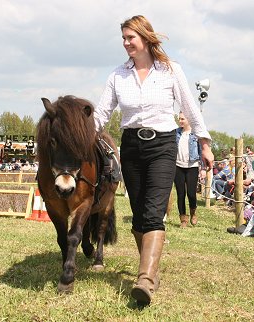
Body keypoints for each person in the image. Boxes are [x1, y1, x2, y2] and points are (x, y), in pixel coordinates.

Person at [94, 15, 214, 306]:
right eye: (123, 38)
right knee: (138, 215)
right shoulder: (117, 76)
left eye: (130, 38)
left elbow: (189, 107)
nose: (125, 43)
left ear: (145, 38)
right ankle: (150, 271)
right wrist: (81, 131)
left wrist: (205, 143)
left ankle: (145, 279)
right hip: (131, 146)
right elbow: (101, 114)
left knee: (153, 212)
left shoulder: (170, 70)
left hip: (162, 145)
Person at [174, 112, 202, 228]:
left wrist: (203, 168)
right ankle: (183, 219)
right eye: (179, 119)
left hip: (192, 166)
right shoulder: (176, 133)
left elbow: (201, 151)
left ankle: (193, 212)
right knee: (181, 194)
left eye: (182, 119)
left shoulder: (196, 134)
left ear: (189, 120)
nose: (180, 121)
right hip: (178, 166)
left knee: (191, 193)